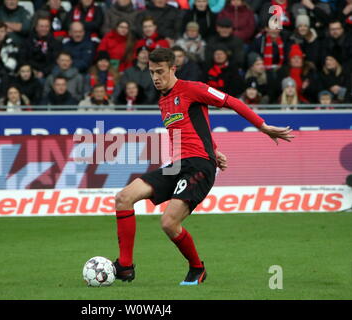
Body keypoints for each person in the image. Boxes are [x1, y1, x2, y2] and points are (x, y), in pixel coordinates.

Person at [112, 47, 294, 285]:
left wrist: (262, 126)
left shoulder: (191, 88)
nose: (155, 77)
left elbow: (231, 101)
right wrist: (215, 148)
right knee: (123, 197)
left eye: (160, 71)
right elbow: (193, 126)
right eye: (151, 72)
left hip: (199, 165)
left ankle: (197, 268)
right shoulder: (163, 101)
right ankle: (125, 267)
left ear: (172, 69)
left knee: (168, 223)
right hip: (176, 165)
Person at [22, 15, 62, 80]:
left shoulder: (55, 43)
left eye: (46, 26)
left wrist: (43, 72)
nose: (44, 29)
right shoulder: (28, 41)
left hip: (48, 74)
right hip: (30, 72)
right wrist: (31, 70)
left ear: (49, 28)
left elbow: (55, 61)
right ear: (36, 27)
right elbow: (23, 57)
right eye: (41, 26)